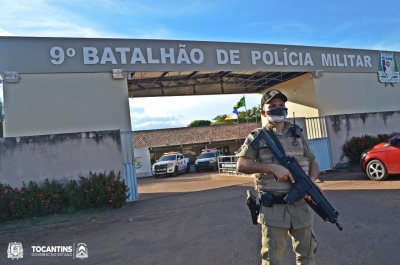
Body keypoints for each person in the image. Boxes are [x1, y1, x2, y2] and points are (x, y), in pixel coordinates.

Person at [236, 89, 320, 265]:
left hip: (301, 207)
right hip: (274, 208)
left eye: (281, 105)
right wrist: (271, 167)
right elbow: (241, 165)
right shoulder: (257, 137)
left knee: (307, 256)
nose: (278, 109)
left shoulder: (297, 133)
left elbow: (313, 162)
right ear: (263, 112)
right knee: (272, 259)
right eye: (272, 106)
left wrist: (310, 183)